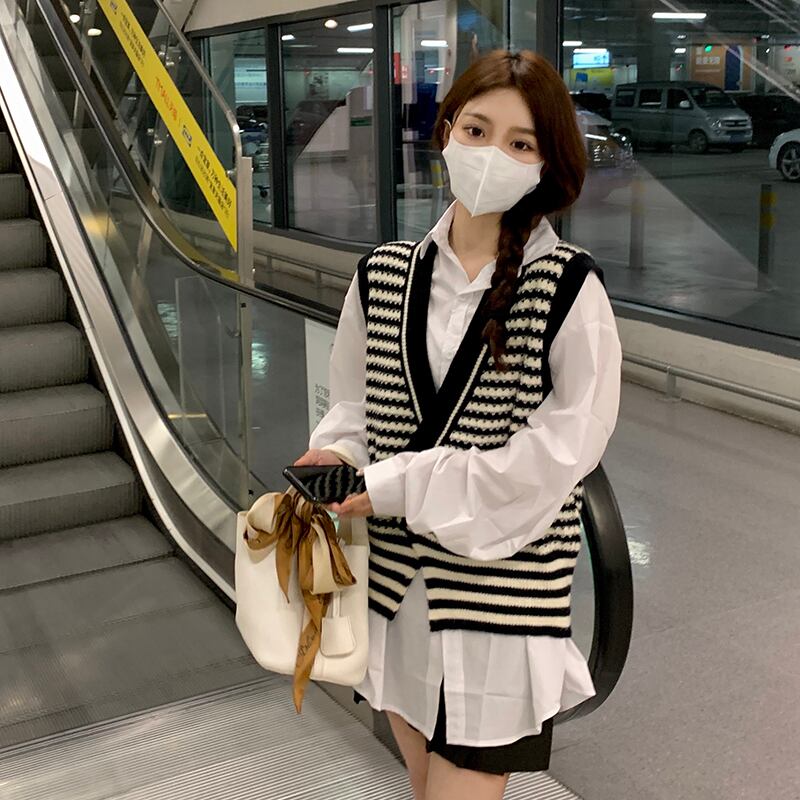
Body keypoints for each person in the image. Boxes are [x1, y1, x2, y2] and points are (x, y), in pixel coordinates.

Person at [295, 49, 622, 800]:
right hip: (396, 593)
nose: (491, 154)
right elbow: (355, 404)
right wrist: (335, 453)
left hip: (500, 603)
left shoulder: (568, 288)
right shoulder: (381, 274)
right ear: (445, 132)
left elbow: (560, 452)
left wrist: (400, 484)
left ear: (546, 164)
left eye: (520, 142)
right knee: (422, 783)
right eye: (476, 130)